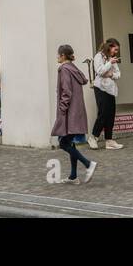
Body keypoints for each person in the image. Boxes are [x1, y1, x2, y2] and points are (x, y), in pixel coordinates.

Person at [52, 44, 97, 185]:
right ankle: (73, 176)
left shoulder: (64, 69)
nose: (57, 57)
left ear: (63, 56)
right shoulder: (74, 69)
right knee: (70, 143)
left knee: (63, 143)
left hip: (69, 113)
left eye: (58, 55)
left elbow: (67, 92)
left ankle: (88, 164)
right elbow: (82, 81)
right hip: (77, 112)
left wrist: (62, 109)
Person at [88, 38, 123, 150]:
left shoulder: (111, 58)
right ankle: (93, 137)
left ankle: (109, 140)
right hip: (100, 88)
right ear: (109, 46)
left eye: (117, 50)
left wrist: (111, 74)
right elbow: (100, 71)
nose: (116, 52)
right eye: (115, 49)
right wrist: (109, 64)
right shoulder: (99, 56)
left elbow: (118, 74)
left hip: (111, 89)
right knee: (103, 113)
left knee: (111, 115)